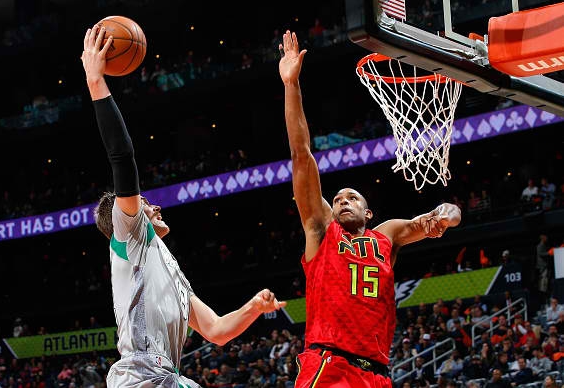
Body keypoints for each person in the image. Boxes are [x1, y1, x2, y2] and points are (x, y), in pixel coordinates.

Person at [81, 23, 286, 388]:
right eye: (144, 204)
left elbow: (217, 331)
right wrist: (96, 80)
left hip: (167, 377)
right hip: (139, 376)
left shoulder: (172, 274)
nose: (154, 206)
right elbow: (123, 158)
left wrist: (254, 307)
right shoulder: (130, 237)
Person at [278, 30, 461, 388]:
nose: (343, 201)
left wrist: (444, 217)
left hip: (376, 374)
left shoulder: (385, 236)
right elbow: (301, 156)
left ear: (369, 212)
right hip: (328, 363)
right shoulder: (321, 231)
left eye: (352, 198)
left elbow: (446, 215)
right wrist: (291, 84)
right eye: (338, 200)